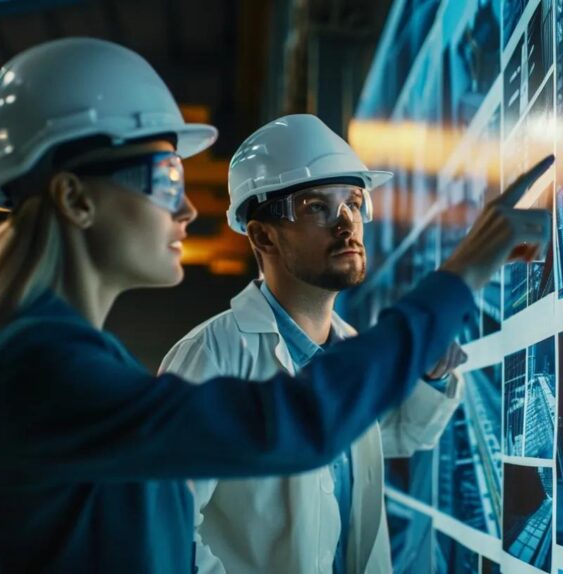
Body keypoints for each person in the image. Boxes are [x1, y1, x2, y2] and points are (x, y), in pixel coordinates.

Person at [0, 38, 552, 574]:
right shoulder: (40, 369)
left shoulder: (67, 361)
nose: (186, 209)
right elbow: (296, 426)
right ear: (76, 199)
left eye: (354, 204)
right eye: (165, 180)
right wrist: (463, 272)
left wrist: (427, 364)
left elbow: (352, 426)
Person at [160, 114, 471, 574]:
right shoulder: (210, 357)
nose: (346, 225)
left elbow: (398, 436)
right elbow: (165, 527)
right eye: (316, 208)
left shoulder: (348, 347)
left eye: (353, 203)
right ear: (262, 234)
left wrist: (431, 375)